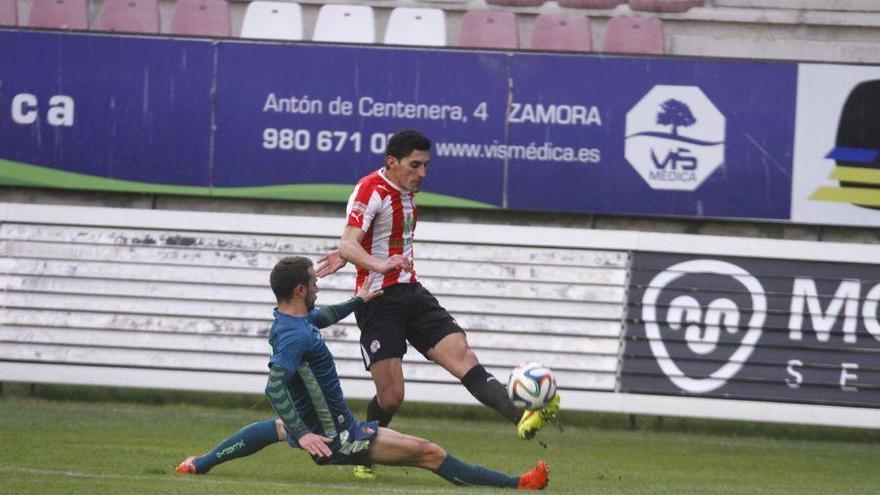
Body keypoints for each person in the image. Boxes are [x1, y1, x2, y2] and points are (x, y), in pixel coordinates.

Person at [176, 256, 549, 490]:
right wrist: (306, 435)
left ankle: (199, 464)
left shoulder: (290, 321)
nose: (319, 288)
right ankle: (519, 484)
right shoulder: (295, 335)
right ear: (302, 289)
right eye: (315, 283)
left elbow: (323, 316)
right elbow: (274, 386)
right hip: (338, 436)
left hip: (321, 422)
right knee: (429, 453)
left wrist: (359, 301)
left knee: (271, 429)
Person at [317, 129, 560, 478]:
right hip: (378, 301)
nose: (422, 173)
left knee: (464, 356)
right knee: (391, 397)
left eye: (427, 165)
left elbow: (359, 245)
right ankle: (363, 450)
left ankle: (522, 415)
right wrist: (373, 262)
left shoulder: (407, 196)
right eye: (415, 165)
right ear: (392, 162)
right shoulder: (371, 189)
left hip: (412, 293)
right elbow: (348, 242)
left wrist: (357, 255)